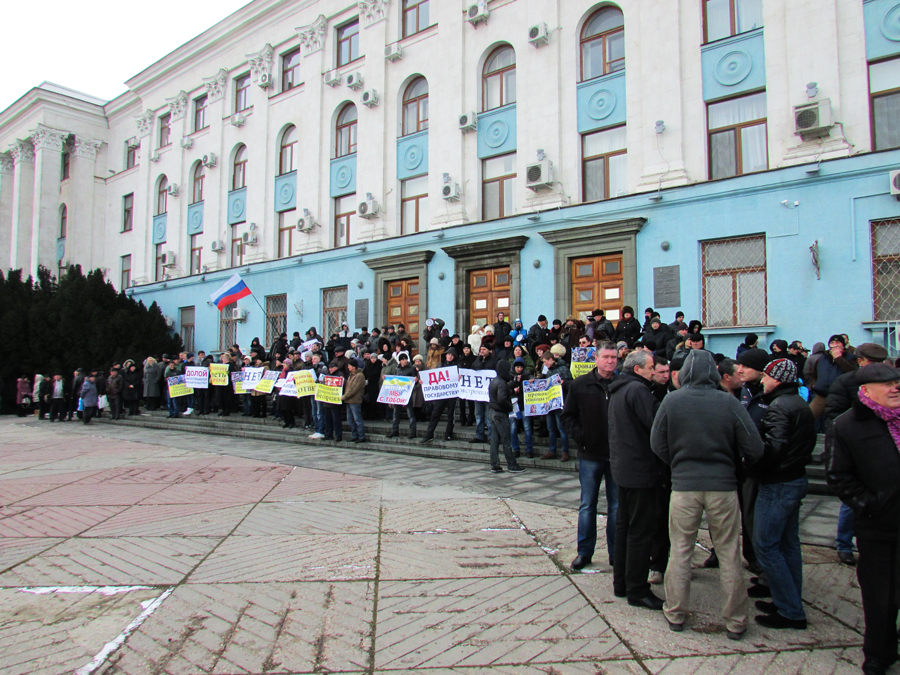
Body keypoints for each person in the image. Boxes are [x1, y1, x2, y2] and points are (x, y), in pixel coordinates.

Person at [650, 349, 764, 639]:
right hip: (723, 487)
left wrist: (677, 462)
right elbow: (754, 447)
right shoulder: (728, 402)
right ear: (714, 374)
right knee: (729, 553)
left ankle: (675, 613)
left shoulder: (671, 401)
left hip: (684, 487)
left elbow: (656, 442)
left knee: (680, 550)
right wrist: (733, 462)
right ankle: (736, 620)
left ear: (685, 373)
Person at [827, 363, 900, 675]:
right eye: (887, 384)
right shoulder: (847, 426)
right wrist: (869, 505)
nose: (895, 388)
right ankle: (878, 654)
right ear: (865, 390)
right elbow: (837, 475)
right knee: (879, 594)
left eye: (897, 382)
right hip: (878, 526)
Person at [750, 358, 815, 631]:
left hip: (778, 483)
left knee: (765, 544)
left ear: (778, 378)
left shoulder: (779, 407)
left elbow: (774, 447)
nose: (763, 379)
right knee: (788, 544)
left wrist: (753, 465)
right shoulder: (799, 403)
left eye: (766, 375)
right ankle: (787, 600)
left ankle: (789, 609)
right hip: (794, 478)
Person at [608, 350, 664, 610]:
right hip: (640, 470)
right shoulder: (638, 391)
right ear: (639, 369)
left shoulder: (619, 389)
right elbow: (657, 427)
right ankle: (637, 589)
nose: (654, 371)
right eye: (651, 367)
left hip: (624, 468)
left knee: (625, 528)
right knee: (640, 531)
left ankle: (622, 582)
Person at [561, 341, 619, 571]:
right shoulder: (581, 384)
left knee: (616, 507)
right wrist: (582, 436)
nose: (610, 361)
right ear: (596, 358)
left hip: (616, 455)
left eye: (614, 357)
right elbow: (568, 417)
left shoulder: (623, 384)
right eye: (606, 357)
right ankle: (584, 552)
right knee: (587, 505)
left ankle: (616, 552)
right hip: (590, 454)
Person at [487, 360, 524, 474]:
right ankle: (512, 464)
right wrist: (509, 407)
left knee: (494, 440)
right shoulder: (501, 383)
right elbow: (502, 399)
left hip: (492, 412)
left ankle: (494, 464)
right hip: (500, 413)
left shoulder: (495, 381)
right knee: (506, 440)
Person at [810, 334, 857, 419]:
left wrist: (838, 358)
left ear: (843, 345)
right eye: (832, 342)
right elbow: (813, 373)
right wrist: (814, 384)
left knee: (837, 420)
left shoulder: (850, 358)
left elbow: (851, 371)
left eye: (838, 342)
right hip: (822, 395)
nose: (835, 344)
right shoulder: (823, 358)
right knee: (808, 416)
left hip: (840, 397)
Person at [537, 350, 572, 461]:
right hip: (550, 402)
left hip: (560, 402)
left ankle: (564, 451)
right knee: (551, 427)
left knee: (561, 427)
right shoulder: (548, 371)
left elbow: (571, 384)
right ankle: (552, 450)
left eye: (546, 362)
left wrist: (564, 383)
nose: (545, 364)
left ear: (551, 359)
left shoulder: (563, 369)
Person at [422, 347, 459, 443]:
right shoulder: (440, 365)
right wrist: (424, 381)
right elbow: (432, 377)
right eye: (448, 354)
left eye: (451, 355)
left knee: (451, 415)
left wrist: (459, 377)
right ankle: (429, 434)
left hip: (451, 395)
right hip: (441, 394)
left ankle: (448, 434)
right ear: (445, 355)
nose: (450, 356)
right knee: (435, 414)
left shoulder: (457, 367)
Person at [387, 352, 418, 439]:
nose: (405, 361)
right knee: (396, 413)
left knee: (410, 414)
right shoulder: (397, 369)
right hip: (398, 394)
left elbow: (414, 380)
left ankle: (413, 431)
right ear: (400, 361)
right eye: (403, 359)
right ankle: (395, 430)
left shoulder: (411, 368)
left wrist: (415, 381)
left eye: (405, 359)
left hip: (407, 394)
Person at [342, 358, 366, 442]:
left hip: (355, 400)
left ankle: (361, 436)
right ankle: (354, 435)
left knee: (357, 419)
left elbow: (354, 389)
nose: (348, 367)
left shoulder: (359, 376)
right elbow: (349, 386)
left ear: (354, 367)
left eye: (350, 366)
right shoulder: (351, 375)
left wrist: (344, 397)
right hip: (349, 400)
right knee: (350, 419)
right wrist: (343, 381)